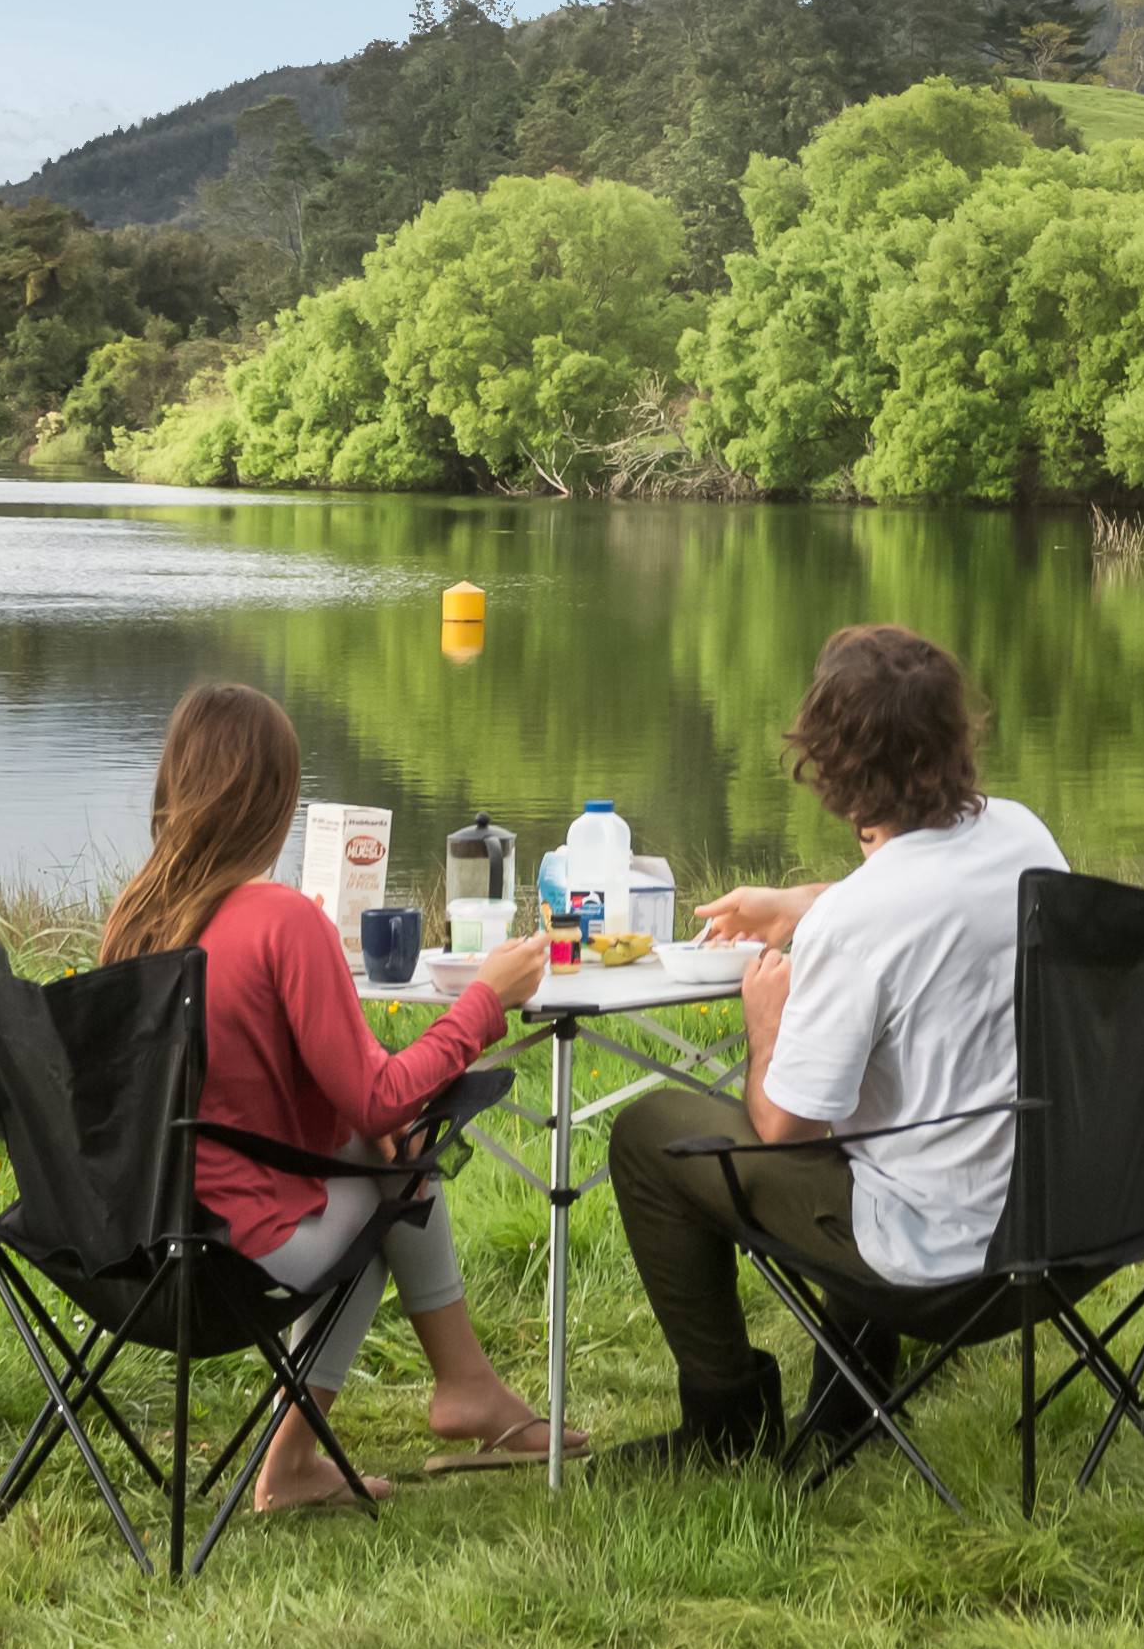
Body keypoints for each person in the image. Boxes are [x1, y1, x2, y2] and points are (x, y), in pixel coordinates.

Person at [93, 683, 576, 1502]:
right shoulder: (283, 920)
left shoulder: (137, 921)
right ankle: (409, 1411)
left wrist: (371, 1118)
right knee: (402, 1163)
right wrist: (483, 1002)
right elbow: (382, 1099)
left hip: (138, 1236)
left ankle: (457, 1392)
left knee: (378, 1150)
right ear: (277, 801)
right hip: (237, 1248)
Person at [605, 622, 1064, 1466]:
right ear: (954, 735)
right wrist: (802, 903)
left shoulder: (859, 923)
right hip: (1064, 1224)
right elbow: (927, 897)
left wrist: (767, 1024)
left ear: (834, 762)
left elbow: (787, 1128)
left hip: (945, 1262)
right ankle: (852, 1399)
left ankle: (727, 1421)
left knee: (648, 1134)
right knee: (880, 1115)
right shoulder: (1023, 838)